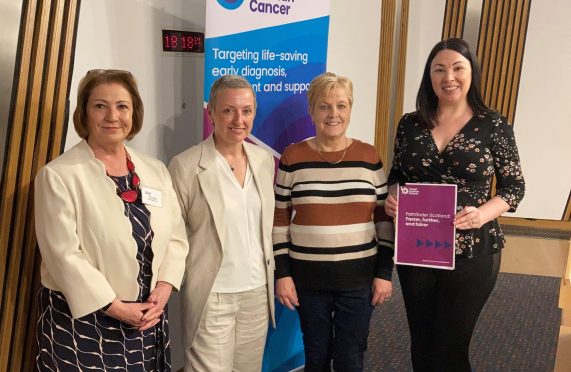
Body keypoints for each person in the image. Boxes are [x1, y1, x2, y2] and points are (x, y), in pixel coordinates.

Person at [384, 38, 526, 371]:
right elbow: (396, 174)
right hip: (417, 248)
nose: (449, 77)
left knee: (451, 344)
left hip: (473, 248)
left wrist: (482, 215)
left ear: (471, 73)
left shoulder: (493, 125)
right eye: (439, 69)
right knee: (422, 340)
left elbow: (514, 187)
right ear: (429, 77)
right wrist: (394, 198)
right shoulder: (410, 123)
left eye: (458, 68)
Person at [34, 69, 189, 371]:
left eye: (122, 106)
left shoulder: (154, 169)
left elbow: (176, 236)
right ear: (84, 113)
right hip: (84, 323)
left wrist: (165, 286)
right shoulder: (58, 176)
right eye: (100, 106)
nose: (112, 116)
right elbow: (62, 255)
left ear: (134, 113)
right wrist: (114, 306)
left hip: (146, 319)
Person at [273, 72, 394, 372]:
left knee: (350, 356)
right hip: (308, 279)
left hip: (358, 279)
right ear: (311, 110)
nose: (333, 114)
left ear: (350, 109)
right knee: (315, 355)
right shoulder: (293, 157)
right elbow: (279, 220)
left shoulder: (369, 157)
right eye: (324, 106)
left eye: (341, 105)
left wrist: (384, 273)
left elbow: (383, 220)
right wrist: (283, 274)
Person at [168, 75, 276, 372]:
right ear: (211, 112)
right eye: (228, 110)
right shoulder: (186, 165)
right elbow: (173, 235)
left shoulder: (264, 160)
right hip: (212, 294)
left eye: (247, 110)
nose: (238, 119)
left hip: (256, 291)